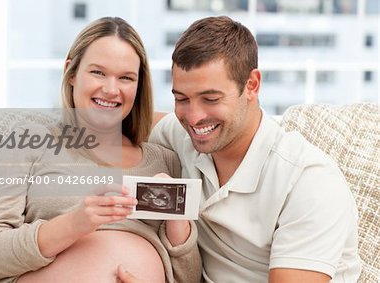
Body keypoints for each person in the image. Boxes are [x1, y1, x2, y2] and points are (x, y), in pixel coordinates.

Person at [0, 17, 201, 283]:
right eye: (98, 72)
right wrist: (75, 223)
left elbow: (190, 278)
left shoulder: (165, 161)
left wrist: (176, 221)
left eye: (126, 78)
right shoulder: (26, 142)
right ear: (71, 73)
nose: (111, 89)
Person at [148, 16, 361, 282]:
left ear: (252, 85)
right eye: (181, 99)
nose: (193, 117)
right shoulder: (183, 136)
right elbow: (130, 121)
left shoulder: (309, 181)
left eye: (210, 99)